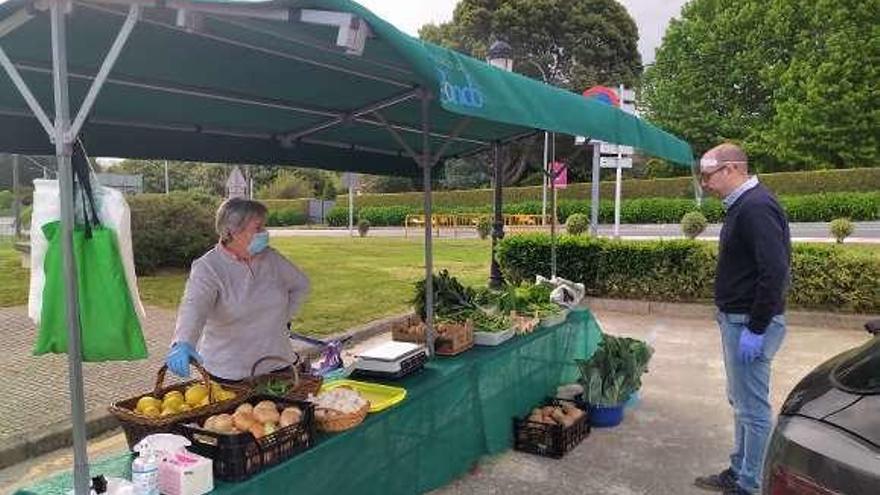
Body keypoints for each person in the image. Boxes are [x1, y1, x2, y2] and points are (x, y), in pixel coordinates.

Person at [694, 143, 791, 495]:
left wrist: (756, 327)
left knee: (753, 409)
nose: (705, 184)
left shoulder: (756, 208)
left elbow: (775, 272)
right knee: (741, 402)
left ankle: (750, 484)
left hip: (749, 323)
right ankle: (740, 470)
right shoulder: (743, 206)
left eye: (708, 176)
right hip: (737, 320)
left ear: (732, 169)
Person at [165, 198, 310, 382]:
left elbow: (301, 285)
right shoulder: (208, 267)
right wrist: (183, 342)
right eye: (258, 228)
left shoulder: (271, 258)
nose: (265, 233)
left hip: (278, 364)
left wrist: (283, 318)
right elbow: (194, 307)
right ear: (232, 231)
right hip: (229, 372)